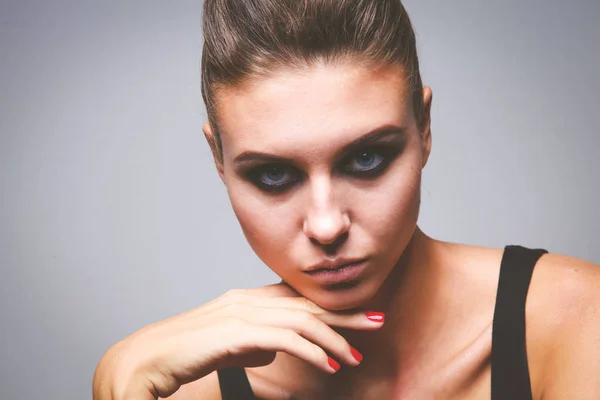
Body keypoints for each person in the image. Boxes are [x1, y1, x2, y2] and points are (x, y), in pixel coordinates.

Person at [92, 1, 600, 399]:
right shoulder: (184, 387)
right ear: (218, 160)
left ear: (423, 129)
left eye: (366, 159)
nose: (327, 224)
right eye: (273, 174)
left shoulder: (573, 320)